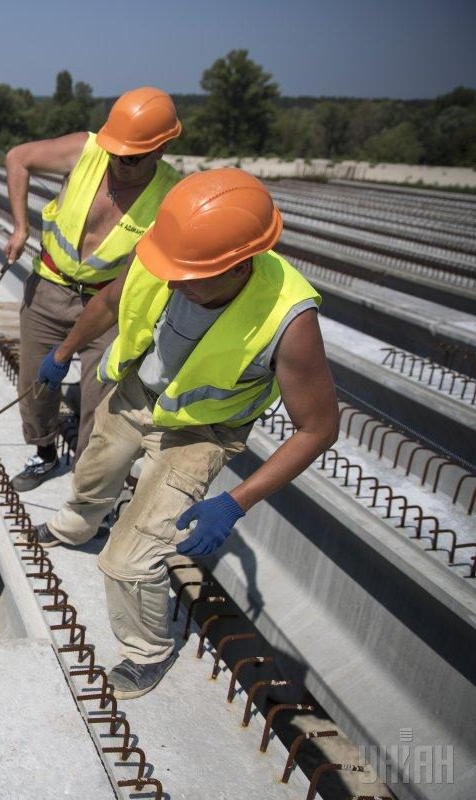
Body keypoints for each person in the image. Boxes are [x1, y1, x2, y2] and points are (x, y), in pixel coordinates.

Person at [31, 168, 339, 699]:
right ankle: (76, 525)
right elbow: (107, 302)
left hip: (201, 432)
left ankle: (147, 650)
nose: (172, 281)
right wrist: (61, 354)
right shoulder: (171, 250)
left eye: (189, 277)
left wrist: (236, 502)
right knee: (96, 469)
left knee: (130, 558)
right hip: (137, 395)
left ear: (238, 264)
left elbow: (319, 428)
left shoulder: (290, 320)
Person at [3, 87, 183, 491]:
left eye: (132, 157)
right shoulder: (86, 150)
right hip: (49, 288)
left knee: (99, 401)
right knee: (36, 382)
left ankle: (87, 486)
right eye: (115, 150)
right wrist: (21, 226)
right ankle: (44, 451)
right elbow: (17, 157)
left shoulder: (171, 196)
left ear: (162, 148)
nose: (119, 162)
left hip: (110, 304)